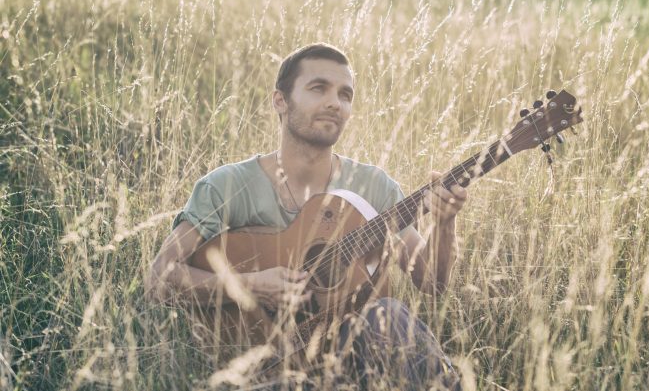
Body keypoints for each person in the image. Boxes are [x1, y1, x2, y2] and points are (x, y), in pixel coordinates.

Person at [147, 43, 468, 390]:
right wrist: (251, 285)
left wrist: (445, 222)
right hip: (262, 369)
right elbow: (159, 280)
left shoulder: (373, 186)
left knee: (386, 313)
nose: (335, 102)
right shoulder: (226, 185)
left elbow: (432, 284)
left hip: (355, 361)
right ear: (280, 102)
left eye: (345, 95)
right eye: (319, 88)